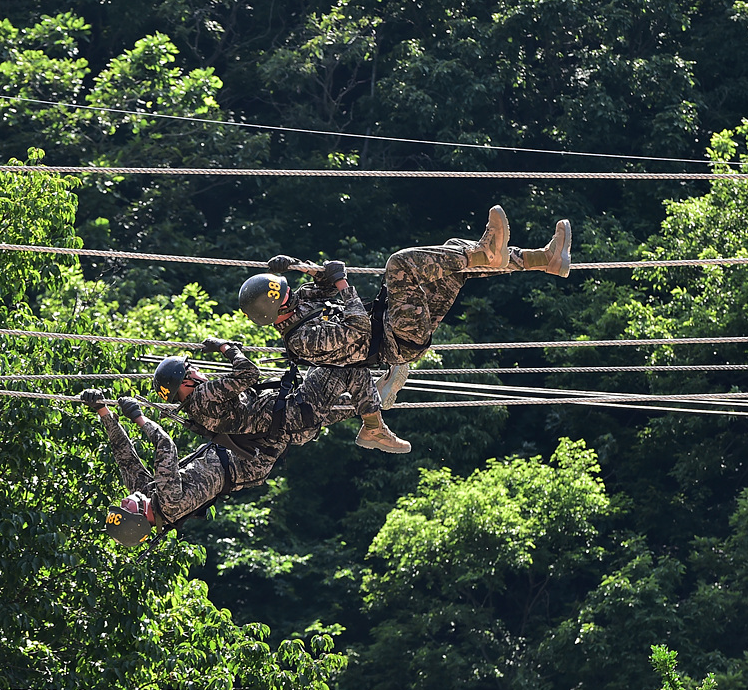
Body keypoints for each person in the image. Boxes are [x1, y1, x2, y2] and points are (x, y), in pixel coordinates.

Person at [236, 206, 571, 408]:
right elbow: (357, 327)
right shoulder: (300, 339)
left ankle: (545, 260)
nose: (292, 293)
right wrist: (344, 286)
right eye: (284, 293)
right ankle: (483, 253)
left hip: (398, 326)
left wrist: (299, 266)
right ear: (277, 311)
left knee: (453, 255)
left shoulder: (297, 306)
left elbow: (321, 284)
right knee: (400, 265)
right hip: (396, 338)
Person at [82, 391, 320, 547]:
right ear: (139, 520)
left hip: (233, 445)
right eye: (126, 508)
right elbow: (166, 446)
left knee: (264, 400)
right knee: (296, 415)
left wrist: (103, 411)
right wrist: (138, 418)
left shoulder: (147, 494)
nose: (125, 501)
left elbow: (124, 456)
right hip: (251, 458)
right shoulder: (169, 502)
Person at [151, 337, 410, 454]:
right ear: (185, 380)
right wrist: (226, 348)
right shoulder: (203, 396)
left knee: (355, 392)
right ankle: (373, 421)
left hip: (294, 426)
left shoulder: (195, 415)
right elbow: (249, 374)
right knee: (339, 359)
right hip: (295, 409)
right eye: (192, 368)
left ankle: (374, 400)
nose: (198, 371)